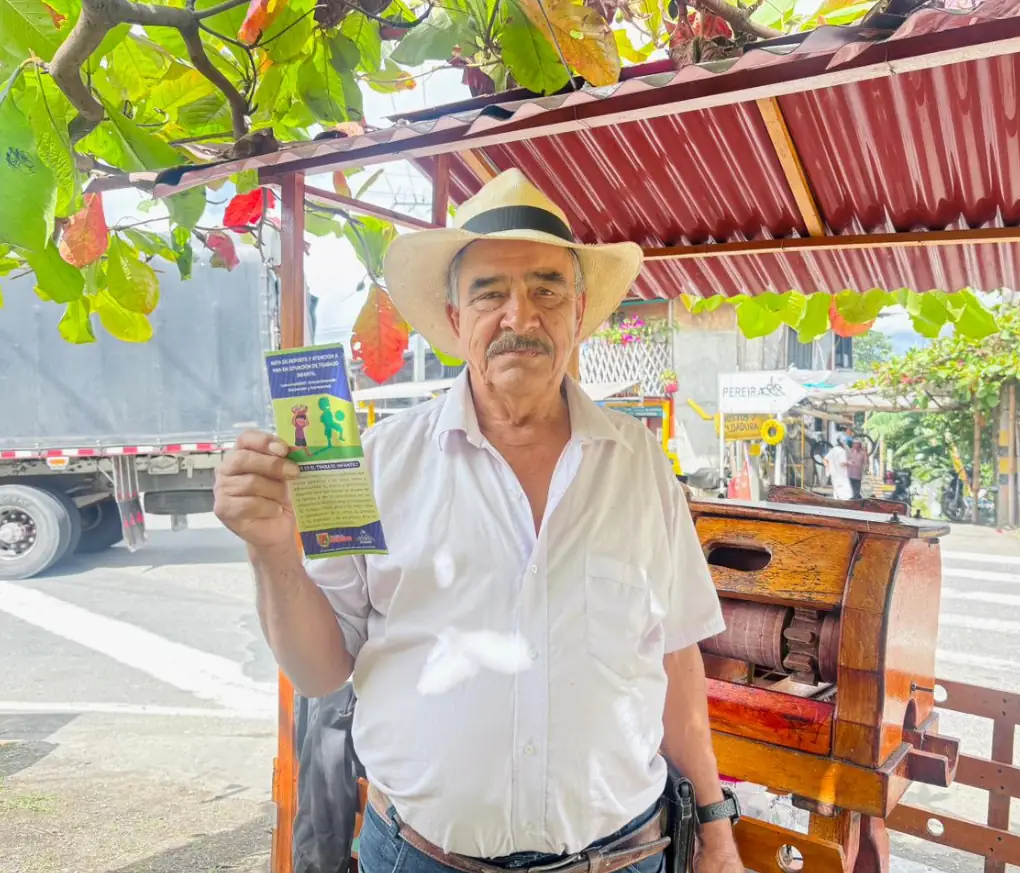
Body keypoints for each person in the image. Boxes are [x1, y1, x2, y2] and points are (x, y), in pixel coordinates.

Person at [214, 170, 744, 873]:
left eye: (546, 290)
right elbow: (319, 673)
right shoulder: (376, 464)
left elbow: (674, 655)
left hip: (624, 857)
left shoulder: (639, 461)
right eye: (490, 293)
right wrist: (273, 551)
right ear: (457, 319)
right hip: (422, 858)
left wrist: (715, 830)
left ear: (578, 312)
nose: (520, 317)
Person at [825, 436, 853, 501]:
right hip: (841, 476)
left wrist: (828, 469)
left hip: (834, 476)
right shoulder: (842, 451)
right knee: (846, 496)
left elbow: (825, 460)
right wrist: (850, 463)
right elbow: (842, 464)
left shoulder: (833, 450)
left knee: (837, 495)